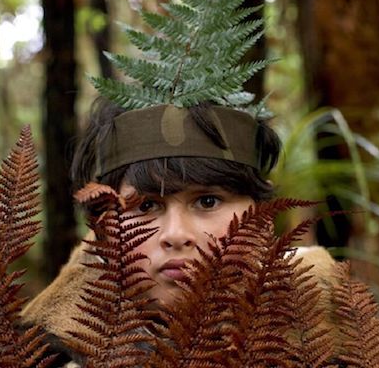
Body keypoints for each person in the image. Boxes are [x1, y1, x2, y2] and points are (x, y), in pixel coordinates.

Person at [19, 98, 337, 367]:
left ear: (261, 219)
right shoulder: (32, 352)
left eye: (208, 201)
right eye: (146, 206)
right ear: (106, 233)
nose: (175, 234)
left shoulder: (336, 333)